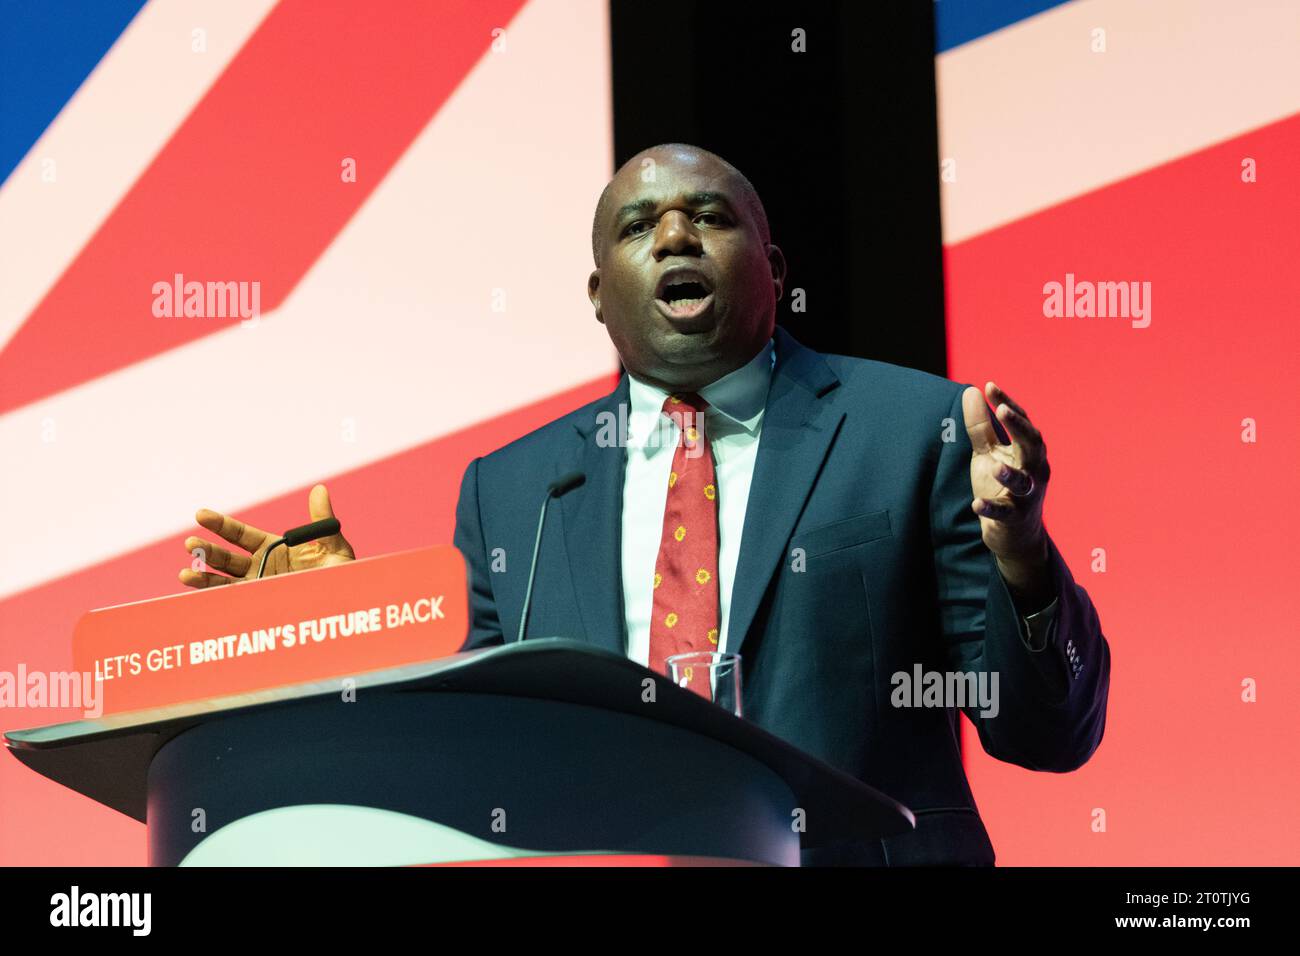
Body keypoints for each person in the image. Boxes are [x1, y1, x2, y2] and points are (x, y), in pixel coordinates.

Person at [179, 143, 1110, 866]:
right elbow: (475, 753)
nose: (674, 237)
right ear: (597, 293)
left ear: (773, 263)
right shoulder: (513, 492)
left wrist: (1022, 555)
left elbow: (1047, 735)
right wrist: (348, 627)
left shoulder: (912, 430)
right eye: (638, 226)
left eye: (708, 216)